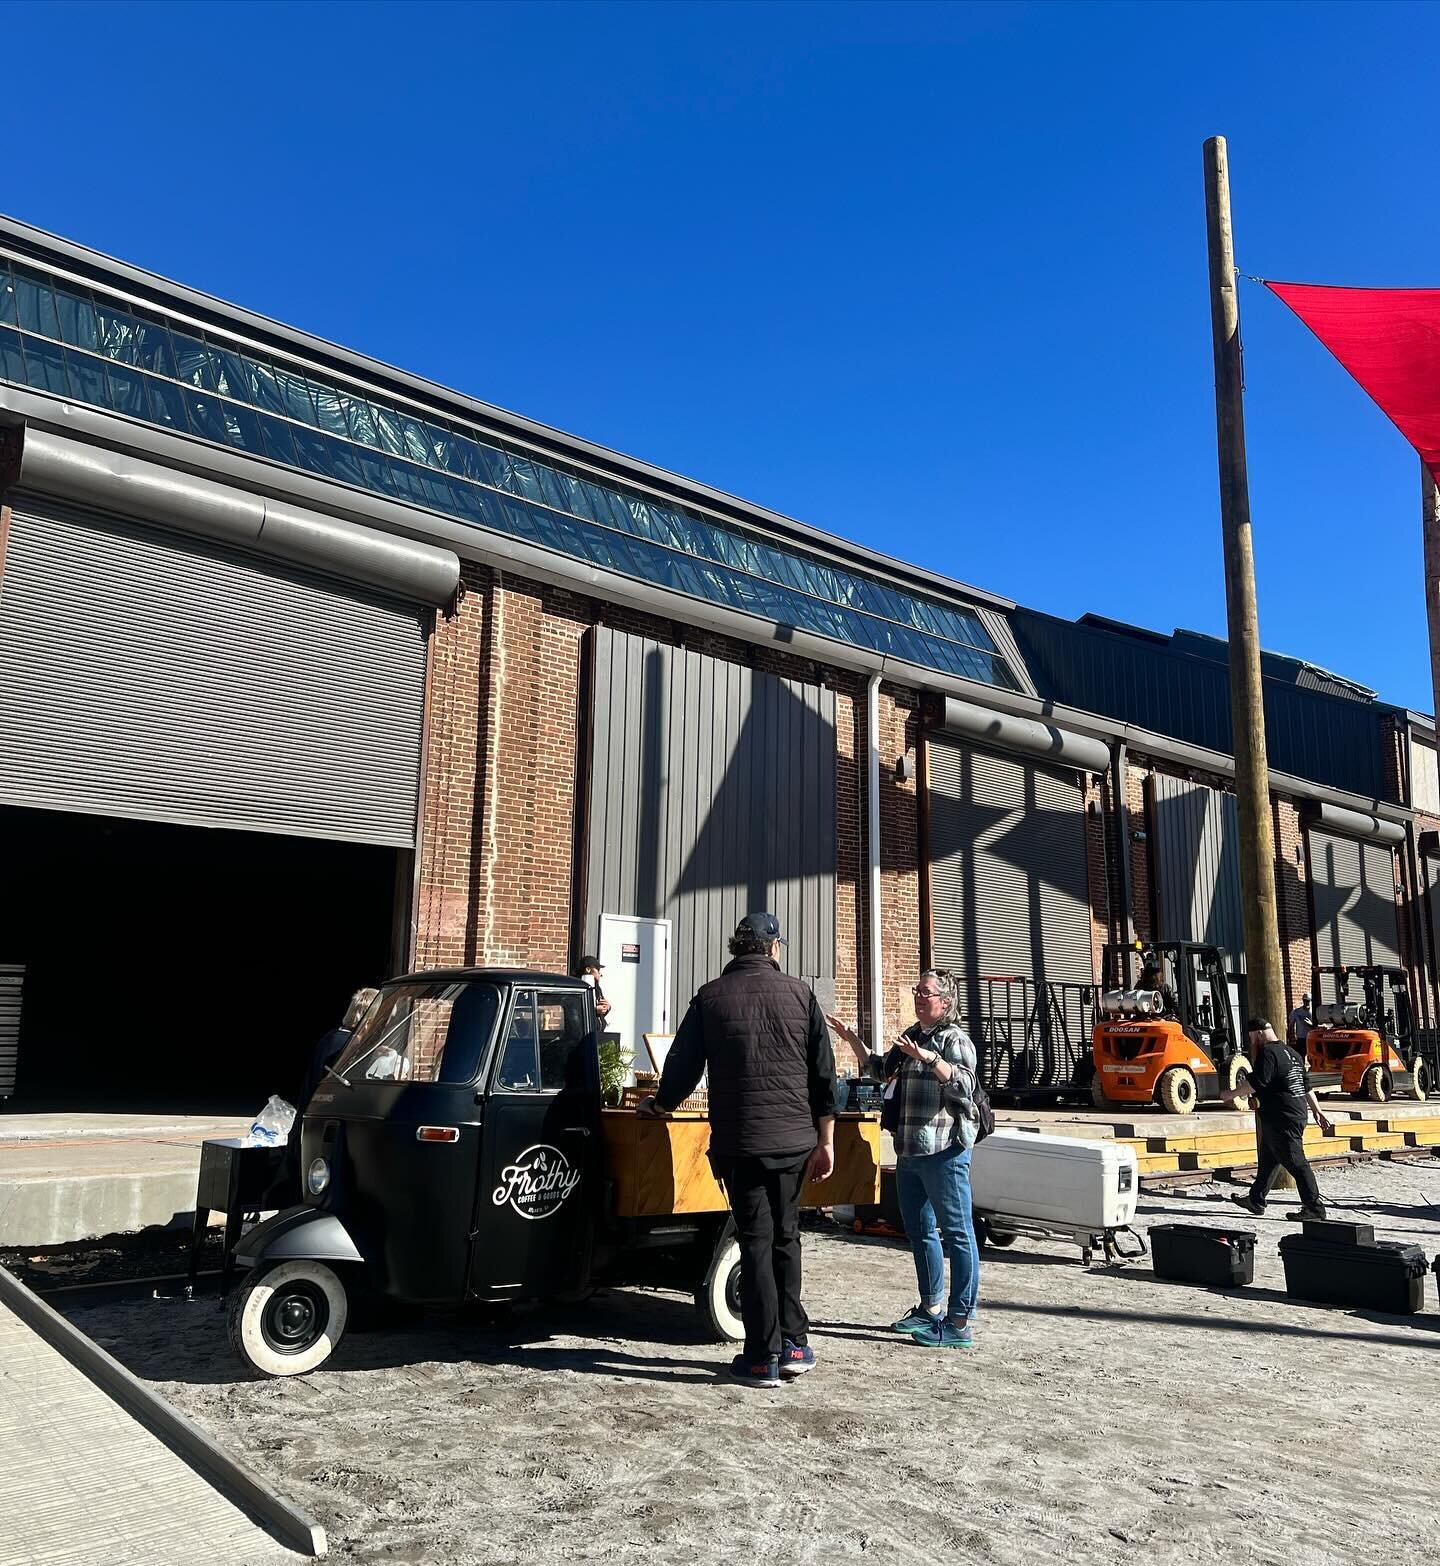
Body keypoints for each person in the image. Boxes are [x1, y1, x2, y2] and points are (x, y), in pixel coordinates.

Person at [637, 912, 837, 1389]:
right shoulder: (800, 995)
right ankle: (794, 1343)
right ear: (772, 949)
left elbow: (681, 1067)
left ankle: (761, 1355)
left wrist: (659, 1105)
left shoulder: (710, 997)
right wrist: (826, 1140)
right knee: (787, 1237)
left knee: (756, 1239)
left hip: (741, 1141)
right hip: (793, 1142)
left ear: (737, 947)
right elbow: (824, 1075)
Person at [827, 970, 981, 1350]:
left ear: (945, 1001)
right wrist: (851, 1039)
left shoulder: (953, 1039)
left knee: (959, 1234)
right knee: (920, 1231)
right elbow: (879, 1070)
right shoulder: (914, 1035)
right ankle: (930, 1309)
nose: (918, 997)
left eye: (926, 993)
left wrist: (929, 1058)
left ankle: (959, 1321)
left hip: (944, 1151)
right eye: (916, 991)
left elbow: (965, 1084)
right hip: (910, 1149)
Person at [1227, 1017, 1333, 1221]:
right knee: (1269, 1159)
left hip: (1281, 1117)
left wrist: (1230, 1094)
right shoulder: (1292, 1053)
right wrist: (1318, 1112)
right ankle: (1256, 1199)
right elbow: (1306, 1087)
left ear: (1258, 1033)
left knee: (1297, 1162)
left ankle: (1314, 1208)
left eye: (1251, 1038)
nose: (1251, 1043)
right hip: (1293, 1113)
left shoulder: (1268, 1053)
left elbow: (1256, 1083)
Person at [575, 955, 614, 1029]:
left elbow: (600, 1012)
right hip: (585, 1034)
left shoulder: (597, 988)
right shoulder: (578, 988)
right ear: (588, 969)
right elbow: (576, 1010)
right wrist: (594, 1010)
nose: (600, 974)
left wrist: (607, 1007)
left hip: (598, 1032)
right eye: (598, 970)